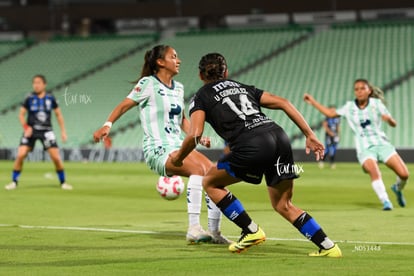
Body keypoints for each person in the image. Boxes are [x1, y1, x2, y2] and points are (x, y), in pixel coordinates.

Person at [170, 53, 342, 257]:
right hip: (279, 138)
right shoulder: (243, 87)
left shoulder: (201, 96)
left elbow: (195, 134)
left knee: (210, 182)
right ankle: (329, 246)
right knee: (283, 204)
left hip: (252, 144)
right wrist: (310, 134)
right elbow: (284, 102)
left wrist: (179, 157)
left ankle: (250, 230)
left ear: (200, 75)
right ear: (226, 72)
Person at [93, 45, 229, 244]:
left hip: (179, 145)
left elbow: (182, 119)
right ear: (160, 62)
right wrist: (107, 125)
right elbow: (125, 104)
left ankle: (215, 233)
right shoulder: (148, 84)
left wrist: (198, 136)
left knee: (213, 174)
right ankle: (193, 228)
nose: (179, 60)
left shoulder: (179, 87)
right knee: (198, 171)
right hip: (158, 149)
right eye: (174, 56)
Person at [304, 79, 409, 211]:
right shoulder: (349, 107)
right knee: (374, 171)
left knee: (404, 174)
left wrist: (389, 120)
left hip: (382, 144)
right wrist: (312, 101)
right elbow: (330, 113)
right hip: (364, 148)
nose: (359, 91)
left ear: (369, 90)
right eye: (356, 89)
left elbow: (394, 123)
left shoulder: (376, 104)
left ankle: (397, 188)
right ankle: (386, 201)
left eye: (362, 88)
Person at [5, 75, 72, 190]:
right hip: (31, 130)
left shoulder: (51, 98)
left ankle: (63, 182)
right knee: (21, 154)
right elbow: (21, 115)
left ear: (44, 84)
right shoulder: (29, 98)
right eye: (34, 83)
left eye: (39, 82)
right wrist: (26, 128)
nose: (36, 85)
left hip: (46, 131)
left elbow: (58, 115)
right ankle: (14, 182)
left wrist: (63, 131)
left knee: (55, 157)